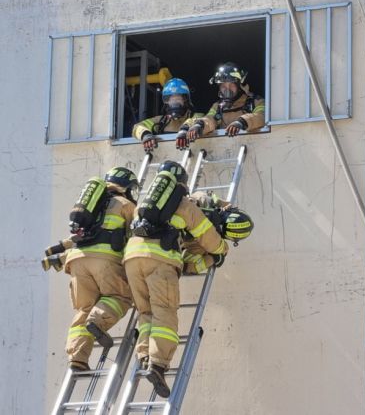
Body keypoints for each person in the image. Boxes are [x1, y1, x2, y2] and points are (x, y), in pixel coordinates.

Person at [124, 161, 229, 397]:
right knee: (165, 312)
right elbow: (206, 234)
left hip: (131, 258)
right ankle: (158, 365)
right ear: (182, 183)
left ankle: (144, 356)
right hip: (159, 262)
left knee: (146, 312)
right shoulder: (183, 204)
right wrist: (221, 249)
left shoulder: (141, 204)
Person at [45, 167, 140, 371]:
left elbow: (75, 238)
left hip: (77, 261)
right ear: (126, 187)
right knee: (119, 298)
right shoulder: (126, 205)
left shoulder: (90, 208)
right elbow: (138, 235)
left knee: (84, 309)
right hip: (106, 260)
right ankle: (97, 323)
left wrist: (59, 253)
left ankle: (77, 357)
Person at [179, 62, 266, 149]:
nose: (227, 89)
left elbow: (262, 116)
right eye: (223, 86)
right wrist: (200, 125)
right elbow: (210, 119)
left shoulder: (255, 101)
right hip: (224, 150)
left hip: (251, 149)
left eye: (231, 85)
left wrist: (242, 122)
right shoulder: (218, 106)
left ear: (239, 85)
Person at [181, 191, 253, 275]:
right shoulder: (210, 245)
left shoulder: (204, 201)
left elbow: (202, 196)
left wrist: (218, 203)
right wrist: (214, 258)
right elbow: (187, 267)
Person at [132, 78, 202, 152]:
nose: (175, 103)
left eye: (178, 99)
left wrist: (185, 129)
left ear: (185, 100)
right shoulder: (161, 121)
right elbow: (137, 127)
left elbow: (199, 122)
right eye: (172, 99)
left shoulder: (196, 116)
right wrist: (145, 134)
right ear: (167, 102)